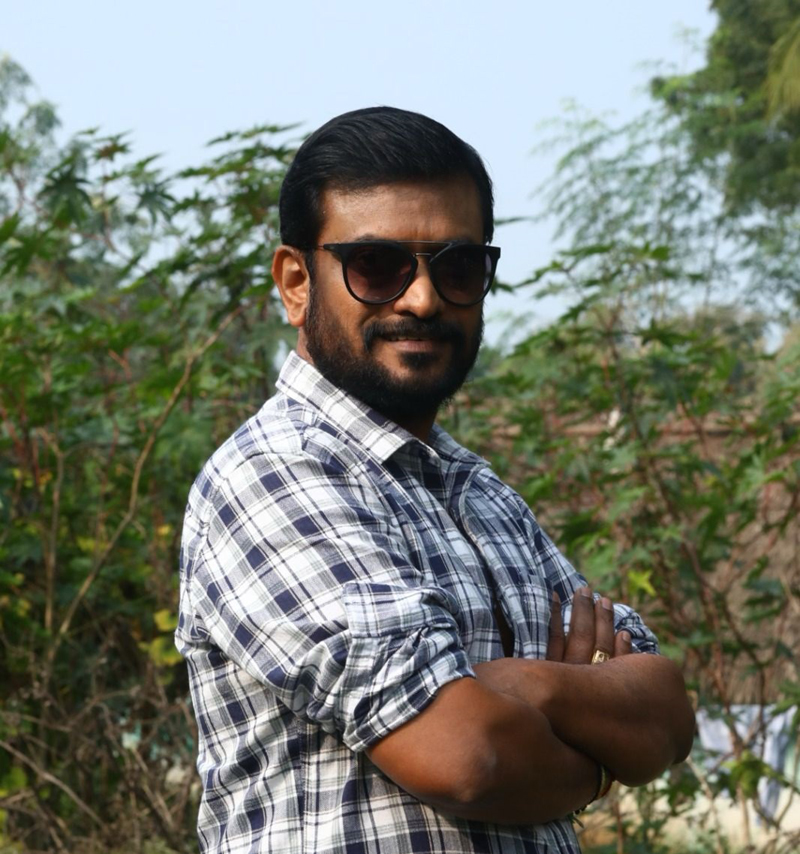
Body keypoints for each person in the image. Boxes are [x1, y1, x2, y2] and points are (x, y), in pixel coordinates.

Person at [176, 106, 695, 854]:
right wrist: (600, 760)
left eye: (456, 267)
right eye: (376, 265)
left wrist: (529, 686)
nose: (421, 298)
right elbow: (468, 758)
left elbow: (667, 715)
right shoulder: (274, 475)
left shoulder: (484, 497)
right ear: (295, 283)